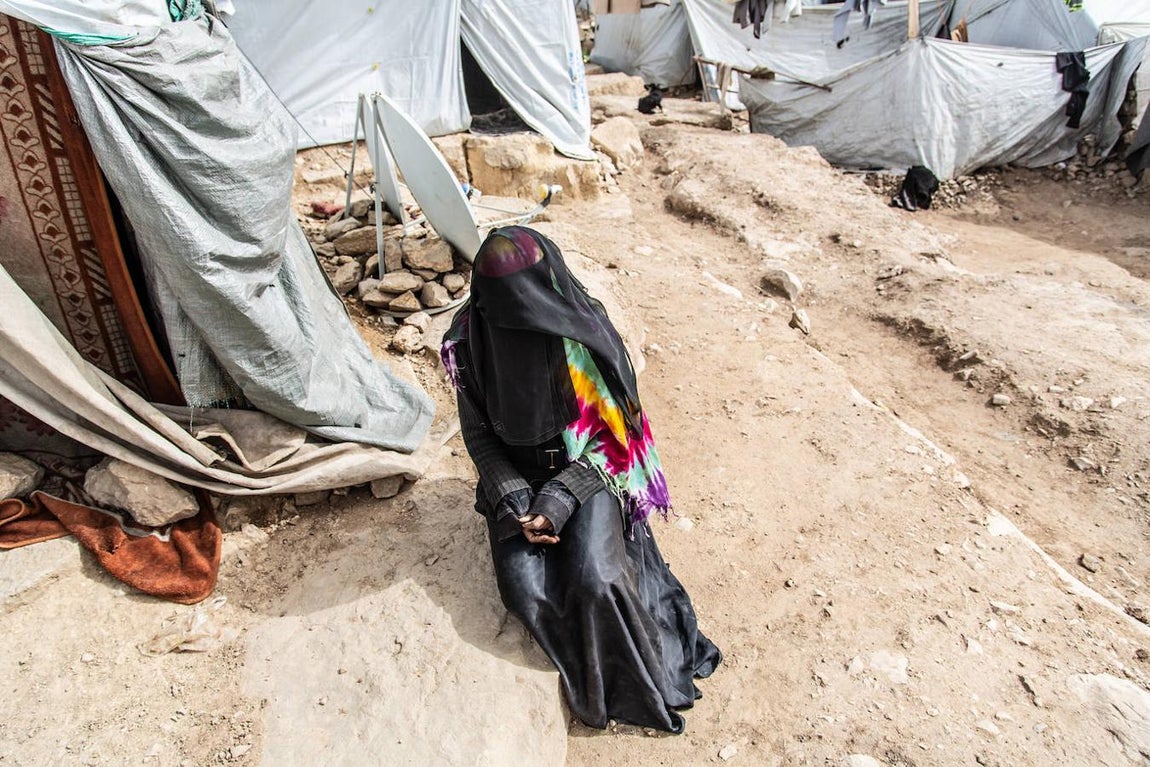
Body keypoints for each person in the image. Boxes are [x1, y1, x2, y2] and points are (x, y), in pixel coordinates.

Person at [441, 225, 721, 733]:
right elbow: (479, 436)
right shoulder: (467, 341)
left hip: (587, 470)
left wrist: (560, 498)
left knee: (597, 578)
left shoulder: (581, 336)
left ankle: (639, 687)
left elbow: (616, 437)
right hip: (517, 482)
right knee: (525, 590)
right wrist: (515, 499)